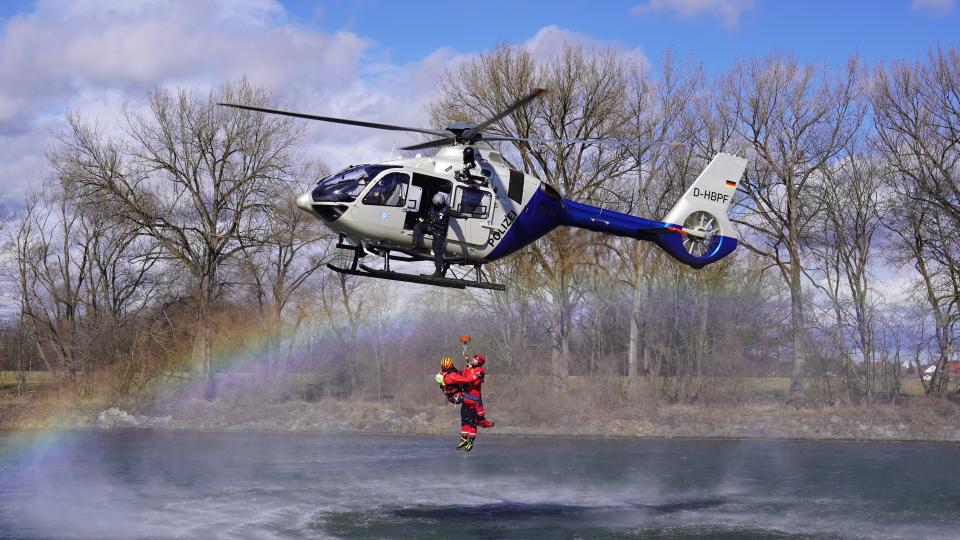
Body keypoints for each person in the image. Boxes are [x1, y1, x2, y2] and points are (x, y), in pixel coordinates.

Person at [434, 353, 494, 451]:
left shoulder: (444, 373)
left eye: (475, 359)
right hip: (467, 397)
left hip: (465, 396)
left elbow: (464, 374)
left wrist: (468, 367)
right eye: (473, 359)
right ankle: (481, 421)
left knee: (467, 421)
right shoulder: (452, 376)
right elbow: (466, 379)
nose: (472, 360)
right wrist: (474, 375)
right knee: (473, 418)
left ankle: (466, 439)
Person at [411, 193, 469, 277]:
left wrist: (463, 216)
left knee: (437, 250)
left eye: (438, 206)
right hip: (431, 228)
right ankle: (416, 245)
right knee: (418, 227)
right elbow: (429, 218)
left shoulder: (447, 210)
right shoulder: (433, 207)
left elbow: (455, 213)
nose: (436, 207)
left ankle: (438, 271)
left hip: (439, 232)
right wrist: (423, 220)